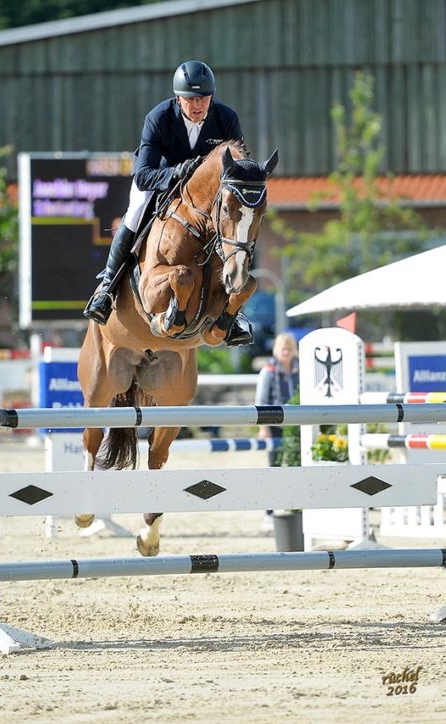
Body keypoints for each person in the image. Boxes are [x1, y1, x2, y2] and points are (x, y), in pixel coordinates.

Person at [83, 60, 252, 345]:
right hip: (161, 183)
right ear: (178, 98)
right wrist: (175, 173)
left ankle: (233, 313)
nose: (197, 105)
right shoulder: (159, 118)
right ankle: (107, 287)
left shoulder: (226, 118)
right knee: (135, 212)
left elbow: (237, 166)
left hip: (205, 197)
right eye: (190, 99)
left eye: (203, 98)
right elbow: (143, 175)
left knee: (237, 222)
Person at [255, 332, 300, 528]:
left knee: (296, 467)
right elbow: (261, 401)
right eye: (283, 348)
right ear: (276, 349)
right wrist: (263, 427)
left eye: (289, 348)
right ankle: (269, 512)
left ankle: (296, 508)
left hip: (296, 426)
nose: (286, 351)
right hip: (274, 426)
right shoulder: (268, 370)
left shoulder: (301, 369)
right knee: (273, 468)